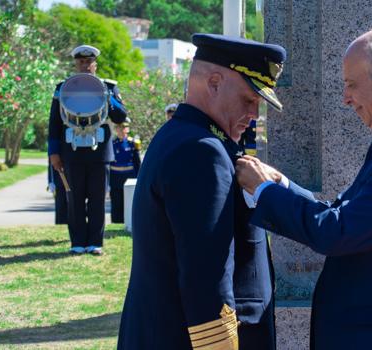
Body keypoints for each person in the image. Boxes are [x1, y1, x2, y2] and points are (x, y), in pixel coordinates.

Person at [236, 27, 372, 349]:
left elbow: (338, 232)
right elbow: (344, 213)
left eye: (351, 85)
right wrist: (281, 185)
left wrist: (263, 192)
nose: (345, 98)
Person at [118, 34, 286, 350]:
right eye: (249, 100)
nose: (254, 115)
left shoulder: (182, 136)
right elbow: (206, 277)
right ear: (213, 82)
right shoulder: (202, 153)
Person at [48, 44, 127, 255]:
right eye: (81, 62)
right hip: (70, 151)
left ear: (95, 64)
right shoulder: (62, 88)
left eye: (88, 62)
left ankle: (95, 243)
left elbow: (121, 117)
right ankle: (77, 242)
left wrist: (106, 96)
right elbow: (54, 123)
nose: (84, 65)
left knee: (97, 198)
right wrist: (54, 153)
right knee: (73, 197)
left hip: (99, 152)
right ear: (76, 63)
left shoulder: (108, 87)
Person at [109, 120, 141, 223]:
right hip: (116, 177)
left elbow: (137, 163)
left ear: (127, 129)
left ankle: (130, 222)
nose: (122, 130)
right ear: (116, 129)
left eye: (124, 127)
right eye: (119, 128)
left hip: (129, 177)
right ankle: (116, 223)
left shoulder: (133, 144)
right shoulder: (112, 143)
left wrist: (138, 178)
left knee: (129, 203)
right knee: (116, 202)